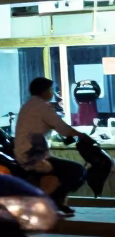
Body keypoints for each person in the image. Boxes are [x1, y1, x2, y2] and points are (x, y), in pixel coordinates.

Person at [14, 77, 89, 216]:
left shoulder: (29, 105)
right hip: (33, 155)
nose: (52, 92)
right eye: (51, 89)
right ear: (44, 91)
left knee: (65, 171)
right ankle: (55, 201)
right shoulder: (42, 106)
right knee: (78, 171)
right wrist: (82, 135)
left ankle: (55, 201)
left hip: (30, 152)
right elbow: (61, 127)